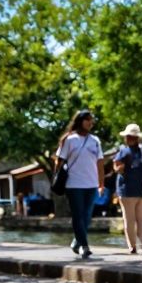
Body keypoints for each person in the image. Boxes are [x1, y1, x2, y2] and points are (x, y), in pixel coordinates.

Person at [55, 109, 105, 258]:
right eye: (87, 119)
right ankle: (84, 246)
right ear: (80, 121)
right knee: (78, 216)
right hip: (74, 184)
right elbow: (59, 160)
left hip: (91, 184)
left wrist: (101, 183)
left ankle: (77, 241)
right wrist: (59, 177)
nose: (90, 122)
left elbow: (100, 162)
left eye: (92, 120)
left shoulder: (95, 141)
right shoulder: (69, 140)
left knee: (87, 216)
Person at [112, 122, 142, 254]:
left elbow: (116, 167)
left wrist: (120, 169)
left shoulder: (123, 151)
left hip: (127, 190)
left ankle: (132, 246)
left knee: (129, 220)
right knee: (141, 220)